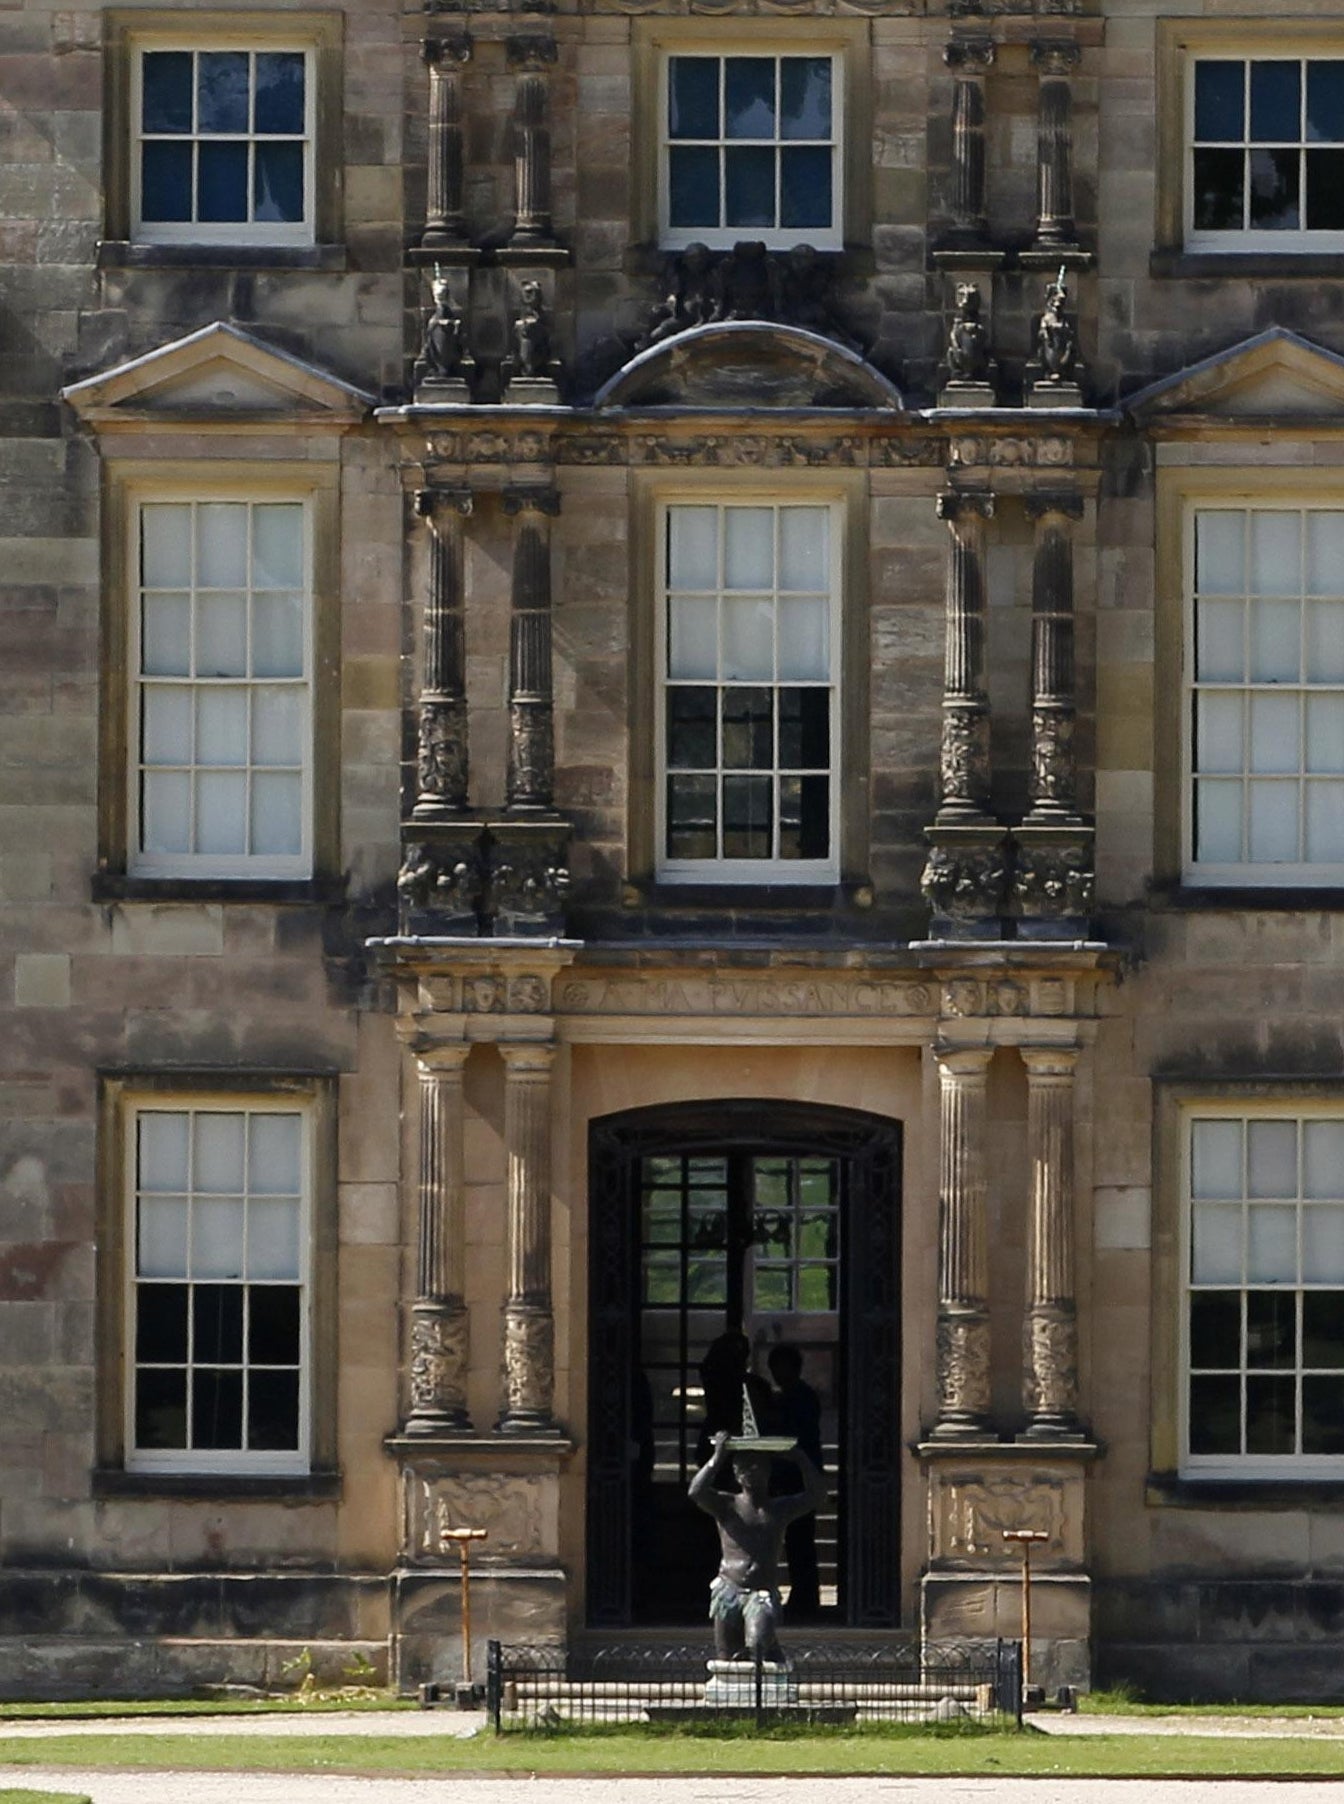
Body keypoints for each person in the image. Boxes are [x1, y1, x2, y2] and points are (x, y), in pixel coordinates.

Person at [689, 1429, 827, 1663]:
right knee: (728, 1659)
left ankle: (773, 1665)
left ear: (768, 1472)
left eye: (757, 1467)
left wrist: (801, 1458)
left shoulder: (778, 1508)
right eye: (744, 1468)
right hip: (728, 1590)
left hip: (760, 1592)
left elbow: (817, 1495)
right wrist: (718, 1457)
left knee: (758, 1643)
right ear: (736, 1474)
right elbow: (696, 1491)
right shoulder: (727, 1505)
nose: (751, 1473)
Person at [767, 1344, 824, 1620]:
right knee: (795, 1541)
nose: (776, 1374)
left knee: (800, 1540)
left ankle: (806, 1597)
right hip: (791, 1476)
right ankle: (803, 1595)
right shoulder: (793, 1396)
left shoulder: (801, 1397)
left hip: (800, 1478)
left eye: (779, 1367)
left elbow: (798, 1439)